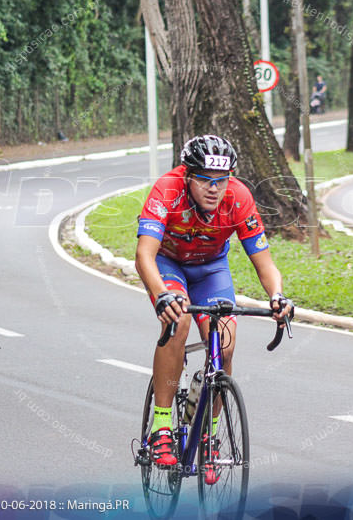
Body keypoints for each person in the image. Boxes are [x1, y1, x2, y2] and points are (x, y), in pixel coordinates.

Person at [135, 134, 294, 482]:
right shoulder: (167, 190)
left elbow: (264, 262)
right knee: (178, 323)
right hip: (169, 265)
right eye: (205, 180)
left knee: (224, 341)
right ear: (187, 176)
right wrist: (162, 294)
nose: (214, 189)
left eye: (221, 181)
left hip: (210, 270)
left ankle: (209, 436)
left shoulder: (238, 197)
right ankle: (162, 426)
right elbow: (144, 255)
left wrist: (277, 296)